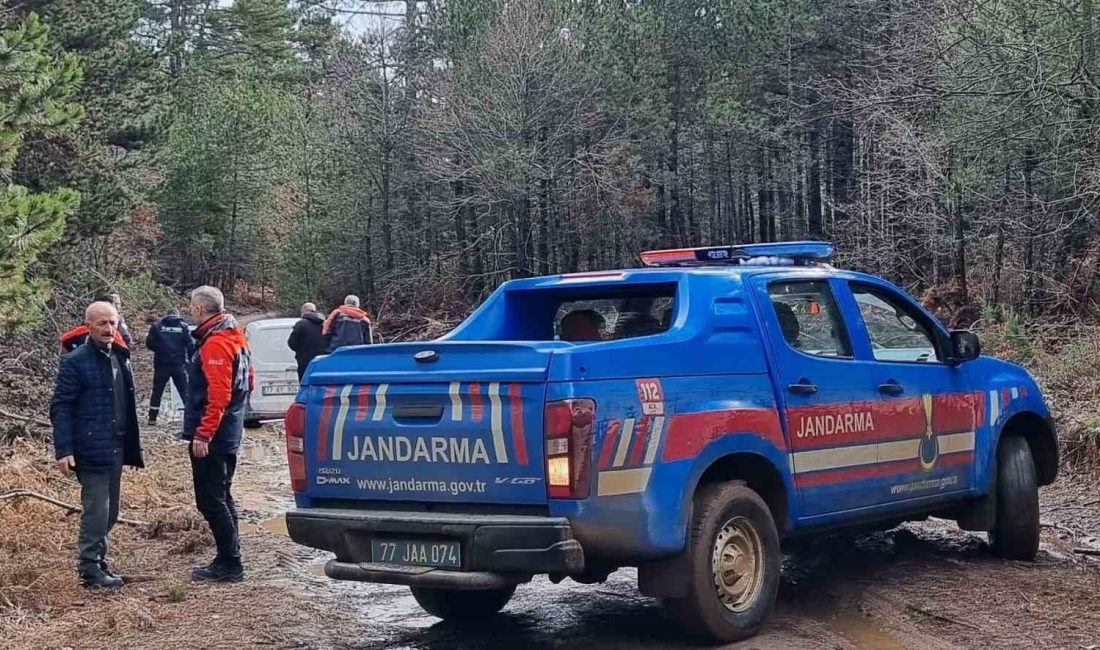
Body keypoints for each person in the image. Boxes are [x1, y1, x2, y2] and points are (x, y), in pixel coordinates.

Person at [49, 301, 144, 589]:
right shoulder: (75, 361)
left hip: (116, 446)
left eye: (112, 322)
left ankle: (99, 561)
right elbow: (61, 407)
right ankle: (89, 568)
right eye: (102, 323)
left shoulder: (119, 356)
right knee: (97, 510)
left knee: (111, 510)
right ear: (88, 326)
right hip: (89, 448)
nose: (108, 328)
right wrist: (64, 450)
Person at [183, 285, 253, 582]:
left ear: (199, 310)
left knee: (210, 500)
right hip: (230, 430)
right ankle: (229, 555)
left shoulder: (216, 343)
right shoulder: (236, 336)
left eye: (191, 307)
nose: (190, 311)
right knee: (222, 495)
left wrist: (203, 434)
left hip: (216, 434)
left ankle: (230, 562)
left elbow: (220, 395)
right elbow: (249, 382)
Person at [146, 308, 195, 424]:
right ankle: (190, 419)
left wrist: (160, 350)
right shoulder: (183, 326)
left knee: (157, 391)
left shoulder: (157, 327)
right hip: (178, 365)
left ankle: (152, 418)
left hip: (161, 364)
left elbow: (149, 344)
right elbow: (190, 345)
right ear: (177, 315)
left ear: (166, 315)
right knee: (185, 391)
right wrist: (190, 361)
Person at [287, 302, 327, 381]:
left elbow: (291, 343)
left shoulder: (301, 324)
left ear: (304, 312)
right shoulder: (324, 324)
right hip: (321, 363)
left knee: (305, 386)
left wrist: (301, 350)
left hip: (304, 362)